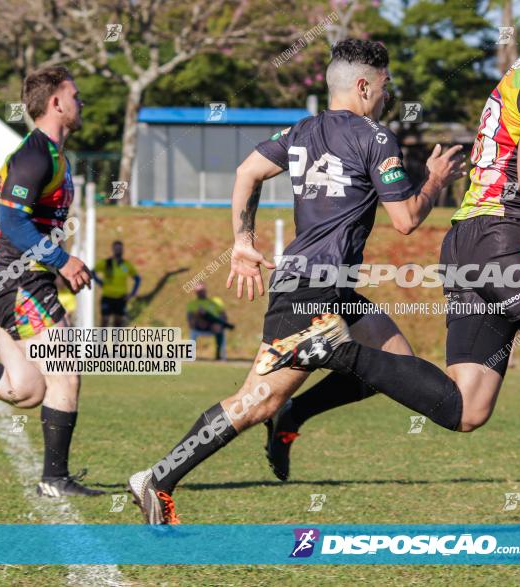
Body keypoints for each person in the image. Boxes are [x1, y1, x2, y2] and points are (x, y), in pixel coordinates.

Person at [260, 1, 520, 563]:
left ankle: (335, 355)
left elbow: (507, 178)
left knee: (467, 407)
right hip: (510, 243)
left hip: (469, 245)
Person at [128, 38, 467, 525]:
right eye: (385, 85)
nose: (388, 94)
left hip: (330, 288)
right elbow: (407, 218)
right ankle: (157, 478)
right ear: (364, 84)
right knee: (254, 402)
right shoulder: (374, 136)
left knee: (394, 366)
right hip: (311, 291)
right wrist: (434, 179)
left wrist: (243, 241)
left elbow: (247, 172)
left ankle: (293, 415)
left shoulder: (300, 131)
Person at [0, 66, 102, 497]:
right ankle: (55, 480)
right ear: (56, 103)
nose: (81, 102)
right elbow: (12, 222)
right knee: (67, 372)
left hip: (15, 279)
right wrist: (63, 260)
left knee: (25, 390)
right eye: (76, 95)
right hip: (17, 279)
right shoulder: (34, 154)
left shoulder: (54, 155)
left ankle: (54, 478)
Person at [92, 240, 140, 327]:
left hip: (121, 298)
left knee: (118, 323)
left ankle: (116, 341)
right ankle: (100, 340)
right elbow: (93, 272)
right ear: (113, 249)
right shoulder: (107, 263)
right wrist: (100, 282)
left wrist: (132, 293)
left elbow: (137, 279)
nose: (118, 250)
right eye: (116, 248)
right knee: (104, 321)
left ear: (123, 250)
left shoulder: (126, 265)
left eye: (120, 249)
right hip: (107, 297)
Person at [186, 283, 232, 360]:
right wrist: (197, 317)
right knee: (201, 313)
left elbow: (224, 316)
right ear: (195, 292)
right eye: (198, 291)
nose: (201, 292)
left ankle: (219, 355)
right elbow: (190, 321)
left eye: (202, 290)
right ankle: (190, 355)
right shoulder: (192, 304)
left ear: (205, 290)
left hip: (214, 325)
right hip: (199, 326)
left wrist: (218, 322)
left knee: (217, 326)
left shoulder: (216, 301)